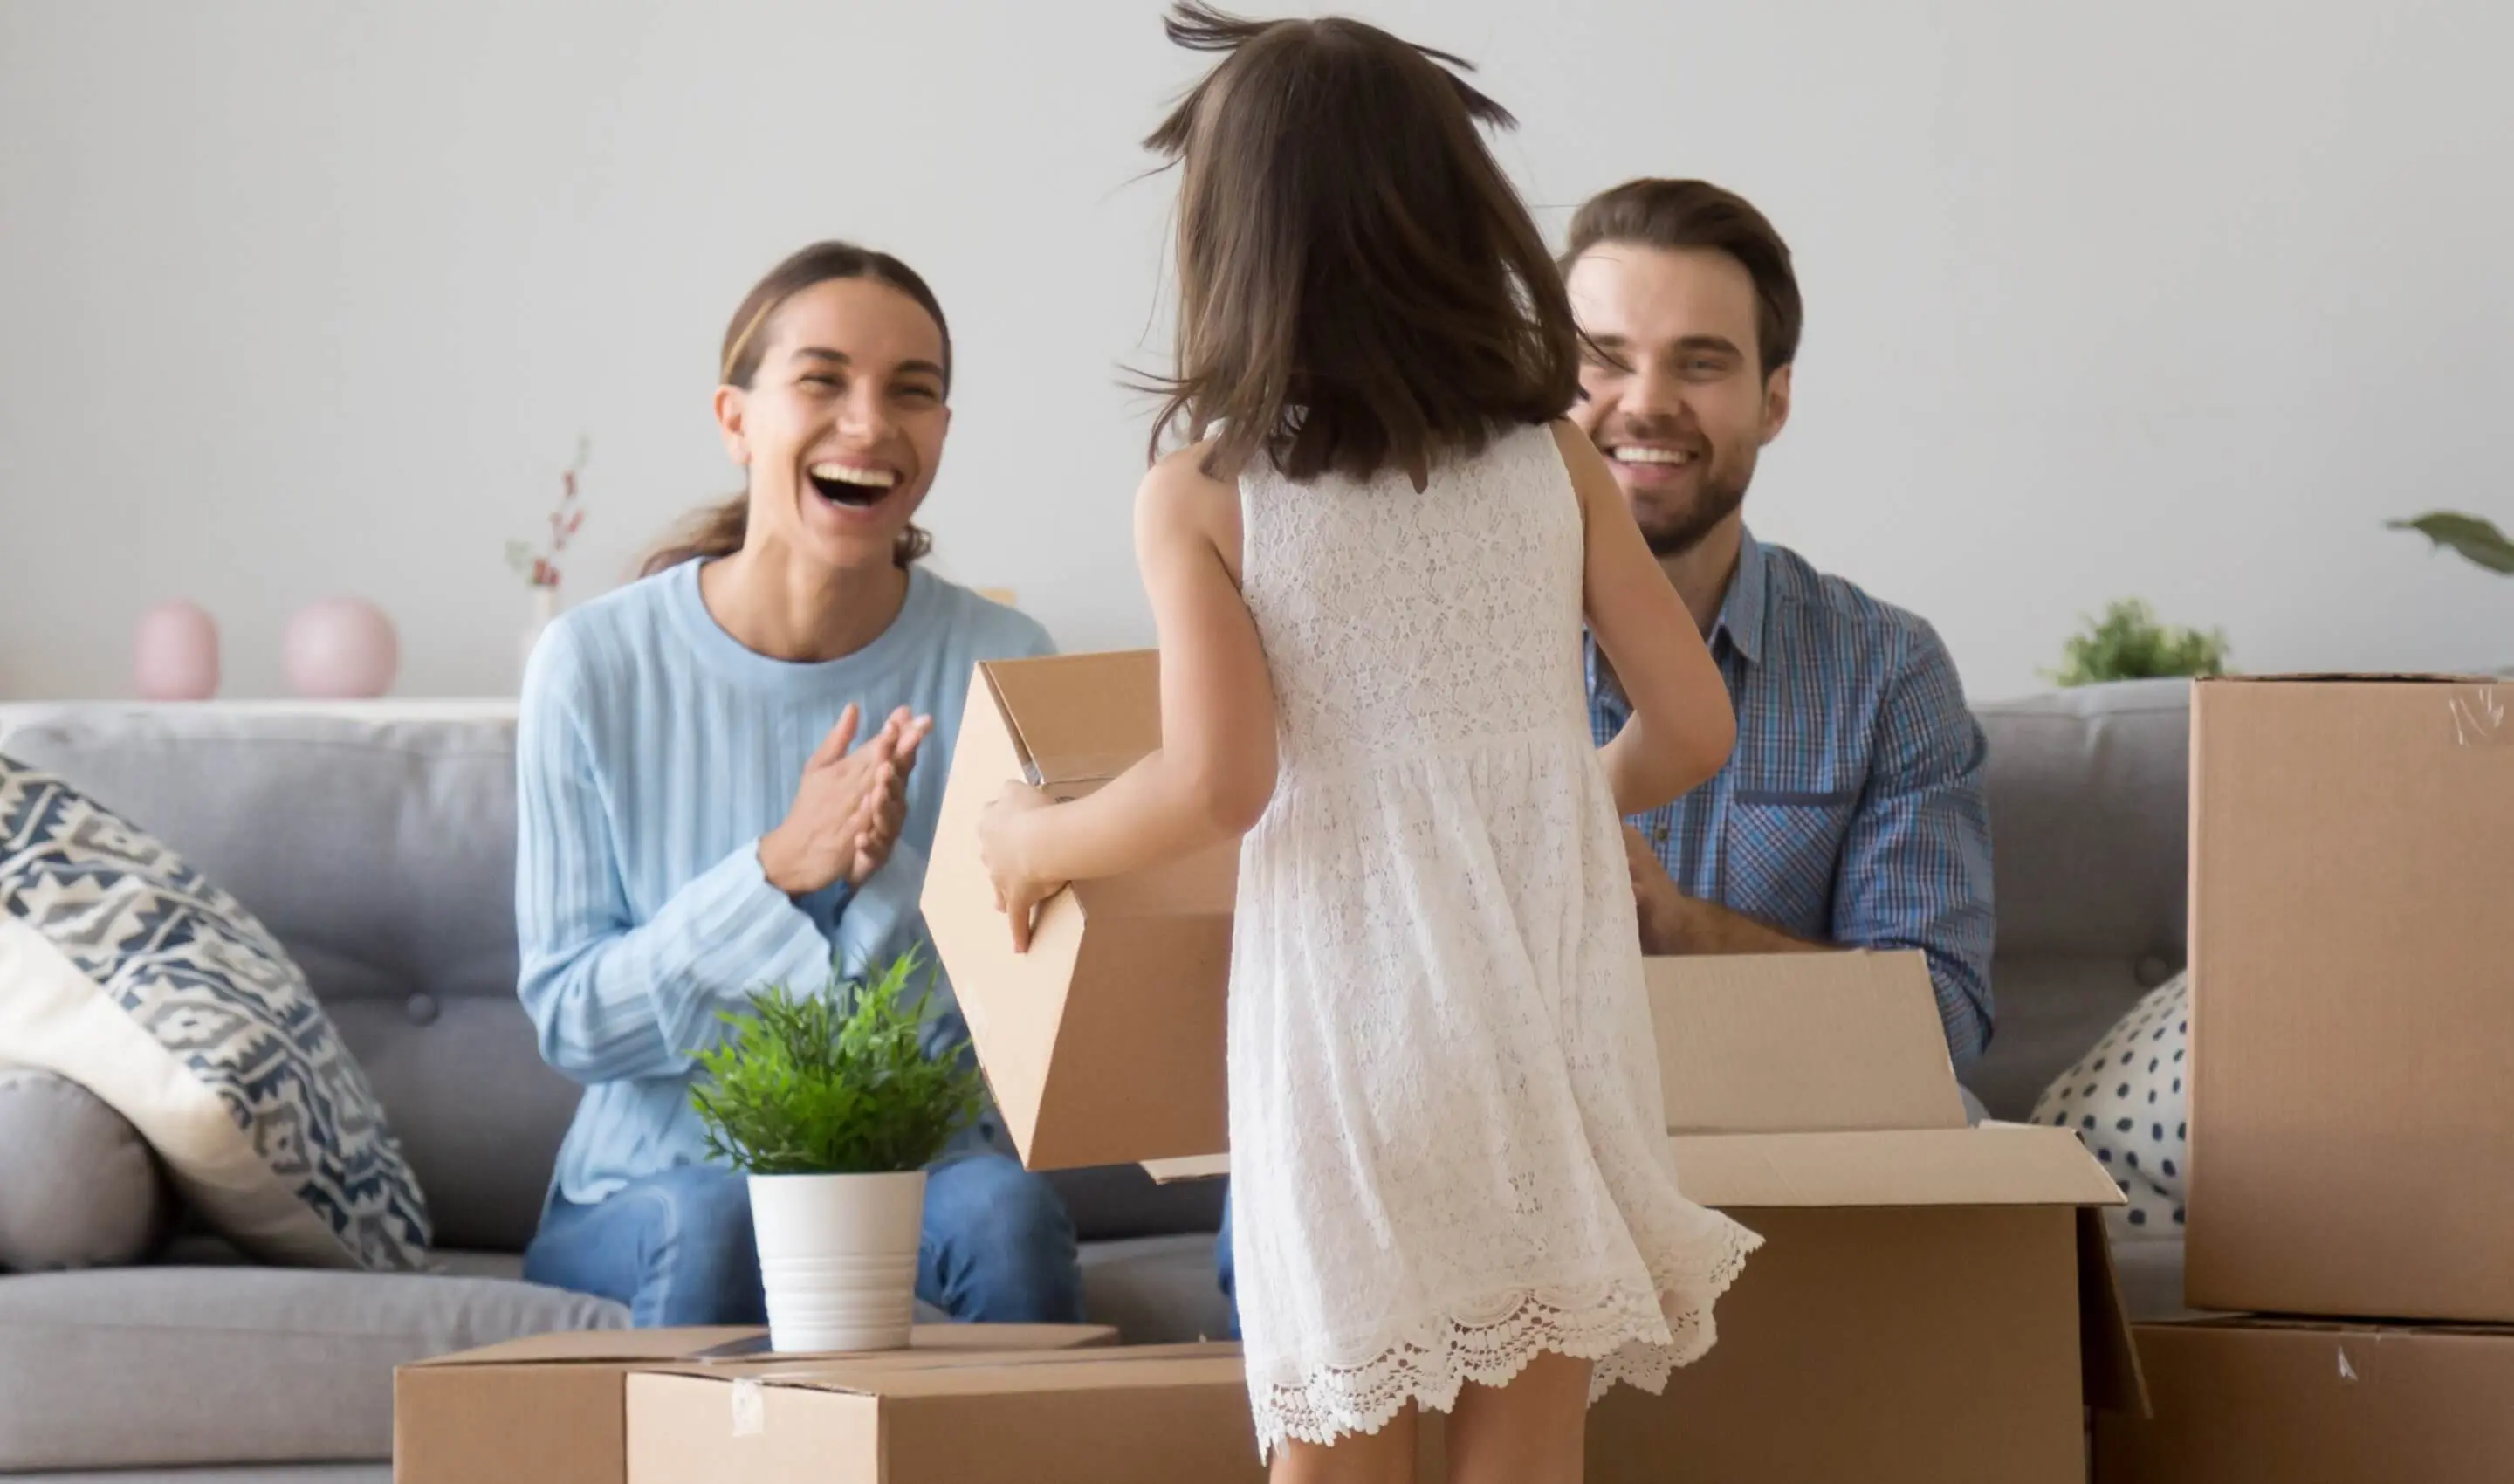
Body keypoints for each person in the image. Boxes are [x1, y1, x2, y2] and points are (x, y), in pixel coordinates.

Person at [977, 9, 1758, 1479]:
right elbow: (1693, 725)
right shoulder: (1552, 457)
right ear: (1454, 214)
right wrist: (1545, 812)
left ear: (1236, 238)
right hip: (1550, 1020)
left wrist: (1033, 839)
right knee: (1525, 1445)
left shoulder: (1211, 490)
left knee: (1342, 1449)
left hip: (1353, 1041)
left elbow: (1221, 782)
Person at [513, 241, 1085, 1329]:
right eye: (822, 381)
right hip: (652, 1188)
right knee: (721, 1221)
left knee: (1008, 1218)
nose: (869, 424)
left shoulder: (1007, 659)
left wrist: (877, 878)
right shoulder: (592, 665)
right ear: (736, 419)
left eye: (911, 392)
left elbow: (1024, 1023)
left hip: (926, 1176)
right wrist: (779, 871)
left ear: (943, 437)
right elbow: (574, 1019)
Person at [1563, 178, 1996, 1076]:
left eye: (1701, 362)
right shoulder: (1434, 648)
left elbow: (1942, 1023)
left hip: (1790, 1170)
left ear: (1774, 401)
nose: (1646, 403)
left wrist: (1679, 927)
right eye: (1603, 356)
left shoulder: (1886, 669)